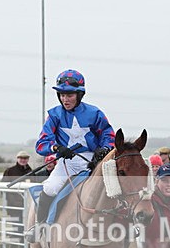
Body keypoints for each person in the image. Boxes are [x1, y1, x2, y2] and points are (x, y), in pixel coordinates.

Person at [32, 69, 115, 230]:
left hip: (93, 162)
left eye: (69, 95)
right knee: (49, 188)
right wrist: (56, 147)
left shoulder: (95, 113)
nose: (65, 99)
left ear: (79, 95)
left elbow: (108, 134)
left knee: (114, 189)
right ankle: (40, 226)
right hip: (66, 163)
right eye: (62, 95)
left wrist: (104, 148)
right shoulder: (54, 115)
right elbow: (41, 144)